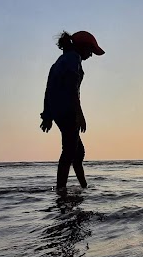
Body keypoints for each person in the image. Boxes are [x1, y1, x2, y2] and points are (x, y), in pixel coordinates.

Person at [40, 31, 105, 190]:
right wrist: (79, 114)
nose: (90, 55)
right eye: (90, 50)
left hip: (58, 111)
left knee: (78, 152)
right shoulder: (73, 59)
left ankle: (83, 187)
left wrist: (47, 116)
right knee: (69, 151)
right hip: (67, 110)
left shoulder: (59, 61)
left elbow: (49, 90)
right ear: (82, 47)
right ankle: (61, 191)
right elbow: (71, 88)